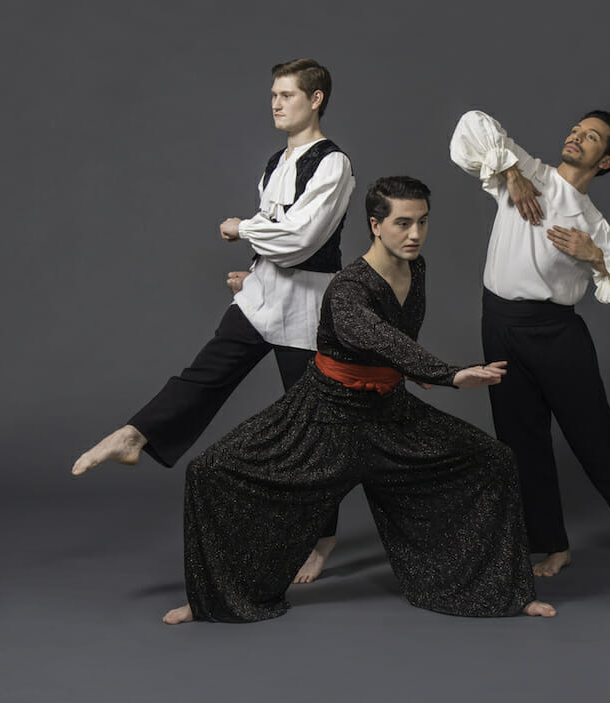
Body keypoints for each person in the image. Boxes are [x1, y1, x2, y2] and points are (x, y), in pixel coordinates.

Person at [150, 176, 555, 624]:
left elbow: (397, 338)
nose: (415, 234)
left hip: (390, 415)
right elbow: (374, 334)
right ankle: (208, 600)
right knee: (211, 471)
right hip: (324, 416)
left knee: (492, 460)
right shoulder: (347, 287)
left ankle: (507, 594)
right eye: (403, 223)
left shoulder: (414, 268)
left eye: (422, 222)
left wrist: (407, 369)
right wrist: (448, 374)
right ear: (375, 224)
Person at [71, 59, 354, 582]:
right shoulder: (273, 161)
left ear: (315, 100)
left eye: (287, 94)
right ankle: (137, 434)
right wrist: (253, 273)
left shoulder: (333, 163)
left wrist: (241, 228)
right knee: (205, 373)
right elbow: (278, 237)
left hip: (309, 307)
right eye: (272, 93)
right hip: (263, 294)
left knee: (313, 422)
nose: (275, 102)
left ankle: (322, 536)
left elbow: (300, 239)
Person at [450, 110, 610, 577]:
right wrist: (510, 174)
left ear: (604, 162)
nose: (576, 137)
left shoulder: (592, 222)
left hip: (555, 333)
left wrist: (597, 257)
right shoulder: (527, 170)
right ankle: (552, 546)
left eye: (591, 138)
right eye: (576, 129)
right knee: (519, 440)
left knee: (596, 436)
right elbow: (470, 125)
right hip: (499, 322)